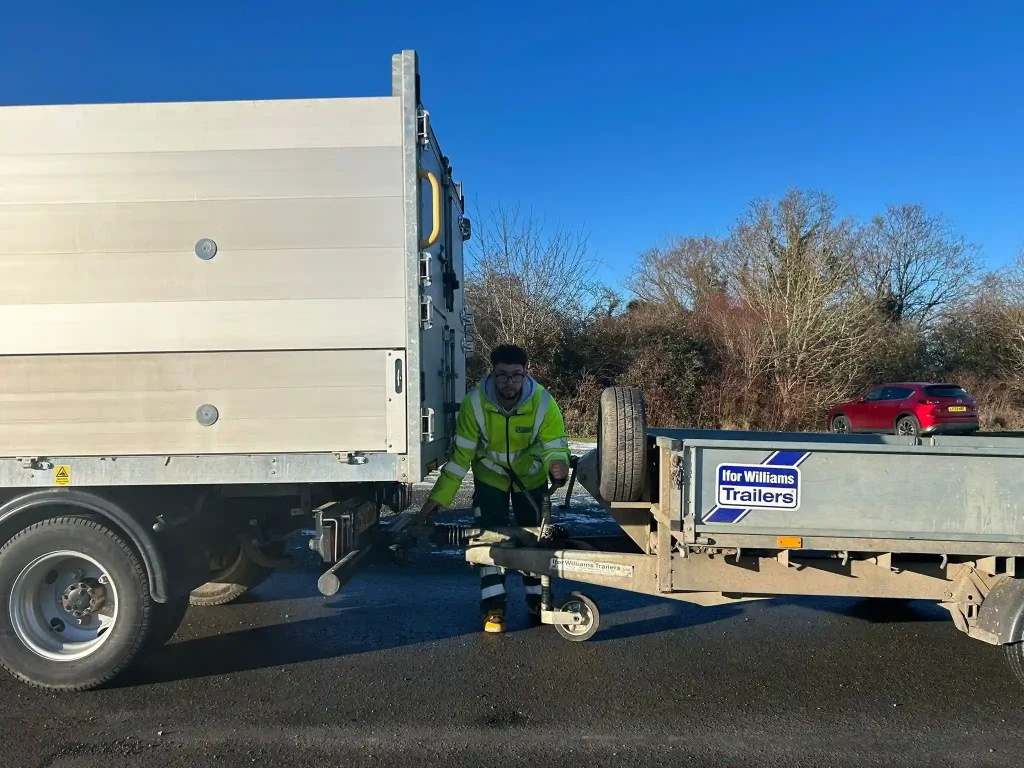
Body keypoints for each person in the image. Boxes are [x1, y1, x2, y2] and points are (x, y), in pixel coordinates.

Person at [419, 343, 570, 634]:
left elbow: (554, 444)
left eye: (516, 375)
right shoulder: (474, 404)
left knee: (535, 539)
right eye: (502, 375)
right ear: (492, 373)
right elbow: (460, 459)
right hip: (490, 477)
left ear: (526, 373)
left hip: (531, 477)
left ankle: (538, 603)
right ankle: (493, 609)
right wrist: (437, 500)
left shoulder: (543, 402)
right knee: (488, 539)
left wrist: (558, 462)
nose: (509, 382)